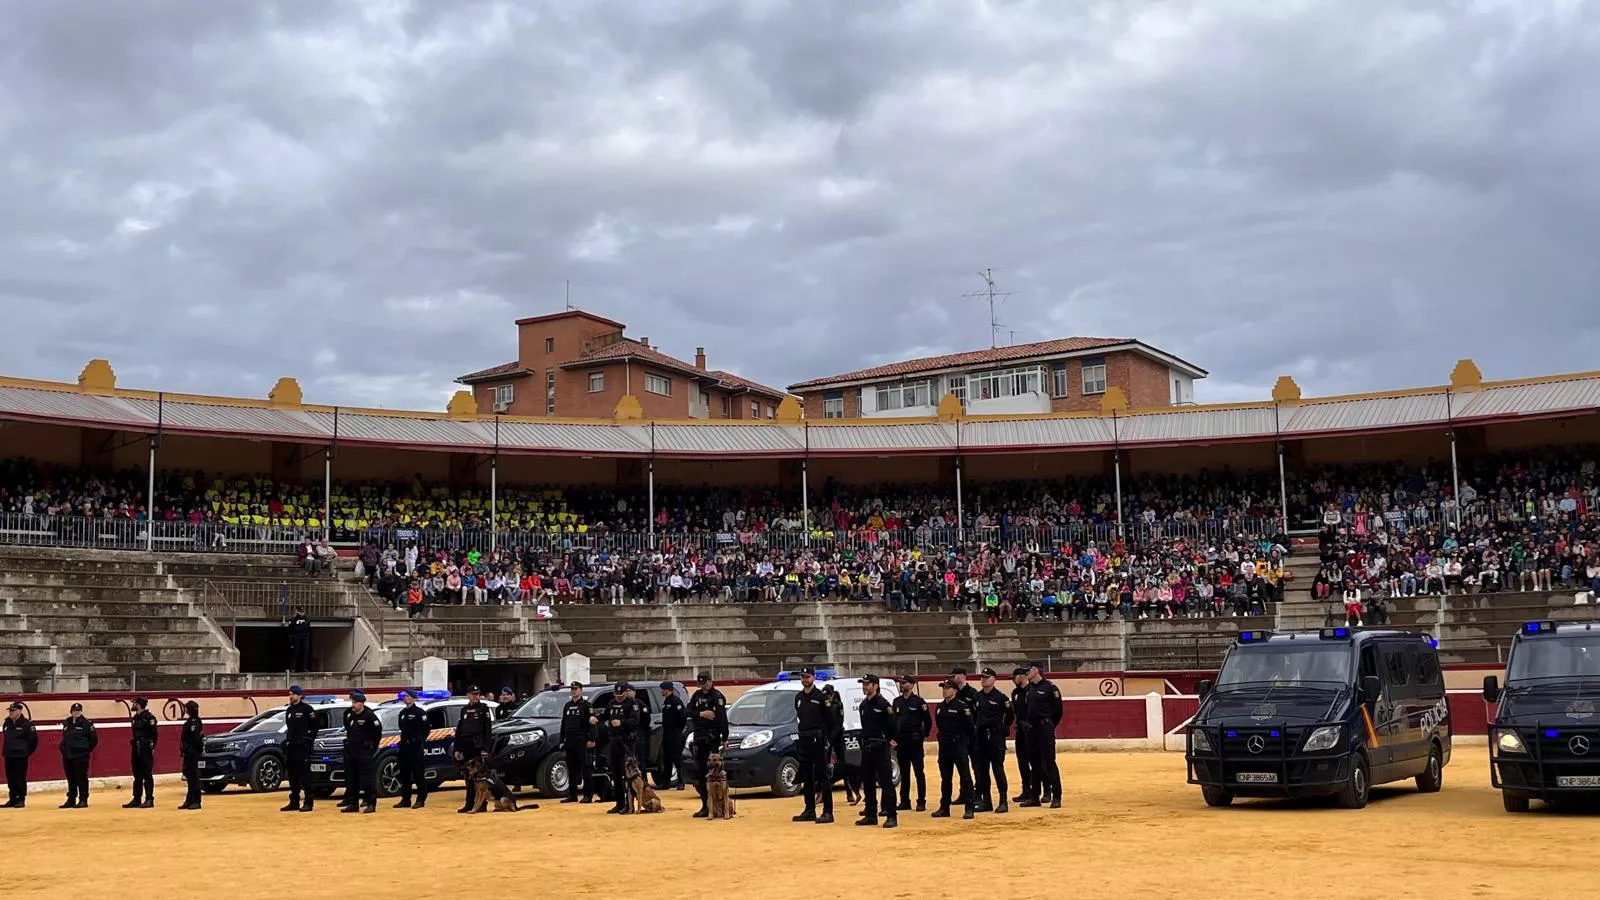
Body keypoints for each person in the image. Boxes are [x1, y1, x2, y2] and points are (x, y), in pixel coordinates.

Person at [791, 667, 834, 824]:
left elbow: (831, 722)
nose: (805, 679)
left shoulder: (821, 698)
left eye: (807, 676)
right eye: (803, 677)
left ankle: (828, 811)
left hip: (818, 740)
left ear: (814, 678)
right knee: (807, 777)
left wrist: (827, 741)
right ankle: (809, 809)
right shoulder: (798, 698)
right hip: (804, 740)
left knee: (823, 777)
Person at [854, 675, 896, 829]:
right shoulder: (864, 705)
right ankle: (871, 814)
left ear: (875, 686)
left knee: (886, 782)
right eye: (863, 684)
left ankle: (891, 815)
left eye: (867, 684)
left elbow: (893, 726)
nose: (864, 687)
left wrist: (888, 739)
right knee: (868, 782)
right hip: (867, 747)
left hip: (880, 746)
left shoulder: (884, 704)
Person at [970, 667, 1013, 814]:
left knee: (998, 770)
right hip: (981, 738)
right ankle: (986, 801)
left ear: (994, 679)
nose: (983, 680)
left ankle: (1003, 801)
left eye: (987, 677)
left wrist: (1002, 727)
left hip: (995, 738)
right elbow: (973, 716)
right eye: (982, 677)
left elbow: (1010, 716)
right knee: (982, 772)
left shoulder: (1001, 698)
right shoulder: (977, 697)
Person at [1020, 662, 1062, 809]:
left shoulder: (1050, 688)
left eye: (1028, 670)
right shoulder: (1029, 689)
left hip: (1044, 727)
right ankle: (1034, 797)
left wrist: (1048, 725)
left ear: (1036, 671)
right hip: (1032, 729)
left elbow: (1058, 711)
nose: (1026, 673)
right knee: (1034, 764)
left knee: (1049, 762)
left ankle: (1056, 797)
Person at [686, 672, 728, 818]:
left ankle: (720, 807)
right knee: (701, 774)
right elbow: (687, 711)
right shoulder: (697, 695)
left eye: (705, 684)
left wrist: (725, 737)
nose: (703, 687)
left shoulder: (717, 696)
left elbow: (722, 717)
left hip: (712, 738)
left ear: (711, 682)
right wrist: (701, 714)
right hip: (699, 738)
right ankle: (705, 805)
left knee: (714, 774)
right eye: (701, 685)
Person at [932, 680, 975, 819]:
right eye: (943, 688)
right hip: (945, 746)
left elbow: (970, 727)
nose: (945, 690)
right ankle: (944, 807)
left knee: (965, 777)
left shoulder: (962, 706)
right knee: (945, 778)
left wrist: (965, 743)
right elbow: (939, 724)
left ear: (955, 690)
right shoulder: (940, 707)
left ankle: (969, 807)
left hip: (958, 745)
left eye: (948, 688)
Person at [891, 675, 931, 812]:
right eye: (901, 683)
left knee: (919, 772)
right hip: (901, 741)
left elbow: (928, 722)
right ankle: (904, 801)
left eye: (905, 683)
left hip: (914, 740)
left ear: (912, 685)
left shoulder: (919, 702)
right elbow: (893, 722)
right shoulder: (896, 702)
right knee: (904, 772)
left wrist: (921, 736)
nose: (902, 685)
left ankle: (921, 801)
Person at [453, 686, 494, 813]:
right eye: (473, 694)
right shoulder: (464, 710)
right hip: (466, 746)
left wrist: (485, 748)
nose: (476, 696)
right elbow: (459, 731)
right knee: (467, 777)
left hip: (478, 746)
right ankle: (469, 803)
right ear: (468, 695)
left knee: (479, 778)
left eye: (477, 694)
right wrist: (457, 749)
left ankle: (481, 804)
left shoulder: (483, 709)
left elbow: (488, 730)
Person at [342, 691, 381, 814]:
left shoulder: (369, 716)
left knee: (367, 779)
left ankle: (370, 803)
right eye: (352, 702)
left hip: (364, 751)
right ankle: (353, 804)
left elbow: (377, 733)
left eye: (355, 702)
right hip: (352, 750)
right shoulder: (351, 716)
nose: (353, 705)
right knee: (352, 778)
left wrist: (371, 748)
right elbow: (349, 731)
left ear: (362, 703)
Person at [603, 683, 639, 814]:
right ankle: (619, 803)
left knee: (628, 774)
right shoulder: (612, 703)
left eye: (621, 695)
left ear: (626, 692)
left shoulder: (632, 704)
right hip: (614, 741)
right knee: (616, 773)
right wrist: (595, 718)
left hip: (626, 742)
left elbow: (635, 722)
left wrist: (622, 723)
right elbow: (605, 715)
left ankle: (630, 804)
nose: (618, 697)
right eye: (616, 695)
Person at [281, 685, 318, 812]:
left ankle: (308, 802)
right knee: (293, 776)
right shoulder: (289, 710)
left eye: (293, 694)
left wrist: (308, 741)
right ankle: (294, 801)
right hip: (292, 747)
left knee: (305, 776)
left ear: (300, 695)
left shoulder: (307, 709)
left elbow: (314, 728)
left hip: (303, 748)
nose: (291, 696)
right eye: (290, 694)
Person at [59, 702, 97, 808]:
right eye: (74, 711)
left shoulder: (86, 723)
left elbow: (94, 740)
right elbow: (65, 738)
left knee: (81, 777)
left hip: (81, 755)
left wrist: (85, 750)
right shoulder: (67, 722)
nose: (76, 712)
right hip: (68, 754)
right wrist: (63, 748)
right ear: (71, 712)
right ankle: (71, 798)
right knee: (70, 777)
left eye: (78, 710)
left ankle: (83, 799)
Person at [560, 682, 593, 804]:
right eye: (572, 689)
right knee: (571, 769)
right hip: (570, 741)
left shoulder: (586, 706)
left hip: (582, 741)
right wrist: (561, 740)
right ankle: (572, 794)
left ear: (581, 690)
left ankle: (587, 795)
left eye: (576, 689)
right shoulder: (567, 706)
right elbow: (564, 724)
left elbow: (592, 724)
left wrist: (591, 739)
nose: (573, 691)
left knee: (585, 769)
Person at [395, 690, 429, 809]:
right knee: (404, 774)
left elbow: (426, 729)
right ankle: (406, 799)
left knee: (418, 775)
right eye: (404, 696)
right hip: (404, 747)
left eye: (408, 696)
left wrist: (419, 741)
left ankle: (421, 799)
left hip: (416, 747)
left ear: (413, 698)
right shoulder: (402, 713)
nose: (405, 698)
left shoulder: (420, 713)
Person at [125, 697, 158, 809]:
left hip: (145, 748)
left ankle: (149, 799)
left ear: (139, 705)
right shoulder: (135, 718)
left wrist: (150, 747)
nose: (133, 705)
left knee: (147, 774)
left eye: (134, 703)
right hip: (136, 747)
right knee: (137, 774)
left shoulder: (149, 718)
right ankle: (137, 798)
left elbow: (154, 735)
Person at [3, 701, 38, 807]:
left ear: (19, 711)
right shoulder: (7, 723)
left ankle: (21, 799)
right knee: (10, 778)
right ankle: (12, 798)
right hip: (9, 755)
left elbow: (33, 741)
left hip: (20, 755)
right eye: (10, 711)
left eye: (13, 711)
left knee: (20, 778)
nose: (11, 713)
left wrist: (26, 752)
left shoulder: (27, 724)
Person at [1010, 667, 1033, 804]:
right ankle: (1026, 789)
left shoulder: (1032, 690)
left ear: (1022, 676)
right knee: (1022, 761)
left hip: (1032, 730)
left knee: (1037, 761)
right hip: (1021, 730)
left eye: (1015, 677)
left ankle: (1045, 789)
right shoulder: (1015, 693)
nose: (1013, 680)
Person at [658, 681, 686, 791]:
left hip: (675, 734)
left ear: (667, 689)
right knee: (667, 759)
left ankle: (681, 781)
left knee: (677, 759)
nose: (661, 691)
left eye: (662, 689)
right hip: (667, 733)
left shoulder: (676, 701)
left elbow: (682, 717)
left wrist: (679, 730)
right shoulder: (666, 701)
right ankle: (666, 782)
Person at [179, 700, 204, 810]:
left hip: (193, 753)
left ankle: (196, 801)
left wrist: (193, 750)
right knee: (190, 777)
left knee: (194, 778)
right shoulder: (192, 721)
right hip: (189, 752)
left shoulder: (194, 722)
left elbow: (196, 739)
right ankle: (189, 800)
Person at [286, 607, 312, 673]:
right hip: (296, 638)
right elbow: (290, 630)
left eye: (303, 611)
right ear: (297, 611)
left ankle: (304, 667)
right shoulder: (293, 619)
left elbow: (308, 629)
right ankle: (293, 668)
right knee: (294, 653)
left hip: (304, 638)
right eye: (301, 611)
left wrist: (306, 636)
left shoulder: (307, 619)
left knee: (305, 653)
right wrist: (291, 640)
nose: (302, 613)